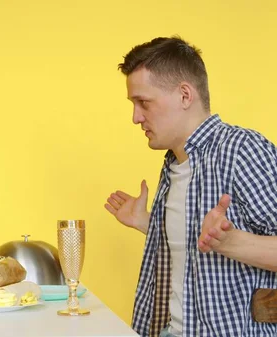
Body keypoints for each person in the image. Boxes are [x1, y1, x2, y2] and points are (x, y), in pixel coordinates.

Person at [104, 36, 277, 337]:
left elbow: (221, 240)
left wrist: (231, 242)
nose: (135, 117)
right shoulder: (174, 165)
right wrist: (150, 224)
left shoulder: (242, 150)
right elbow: (196, 252)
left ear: (185, 95)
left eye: (143, 102)